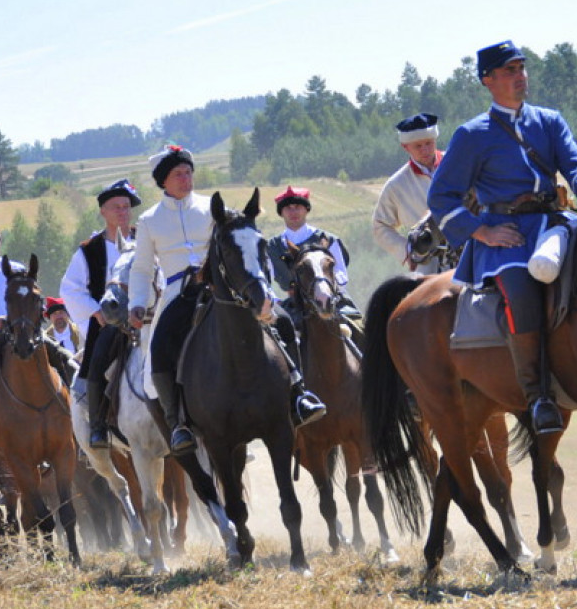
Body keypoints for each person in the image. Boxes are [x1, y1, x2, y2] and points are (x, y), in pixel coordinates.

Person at [427, 40, 577, 435]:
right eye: (509, 71)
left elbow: (574, 162)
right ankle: (538, 395)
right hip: (506, 237)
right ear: (487, 81)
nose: (520, 77)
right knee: (522, 292)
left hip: (555, 222)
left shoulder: (549, 121)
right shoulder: (472, 134)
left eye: (522, 68)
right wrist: (480, 231)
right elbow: (441, 196)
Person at [129, 149, 325, 456]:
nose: (186, 179)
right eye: (178, 174)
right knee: (159, 348)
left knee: (284, 321)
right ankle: (178, 422)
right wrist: (137, 304)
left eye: (188, 172)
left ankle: (299, 394)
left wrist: (265, 288)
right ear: (163, 180)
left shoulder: (213, 207)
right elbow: (141, 268)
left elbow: (250, 243)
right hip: (177, 295)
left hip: (222, 289)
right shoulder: (149, 220)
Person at [0, 220, 76, 447]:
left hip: (26, 331)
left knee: (63, 356)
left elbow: (35, 297)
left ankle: (80, 408)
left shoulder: (19, 269)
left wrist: (35, 315)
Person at [59, 178, 142, 449]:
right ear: (103, 211)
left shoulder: (146, 238)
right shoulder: (89, 250)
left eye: (126, 206)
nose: (122, 212)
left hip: (148, 317)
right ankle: (98, 426)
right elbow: (70, 289)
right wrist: (96, 312)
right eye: (116, 207)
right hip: (111, 324)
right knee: (96, 366)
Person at [266, 185, 359, 319]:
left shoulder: (329, 239)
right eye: (288, 208)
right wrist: (275, 302)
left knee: (359, 329)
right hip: (293, 306)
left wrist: (324, 291)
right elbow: (266, 281)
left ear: (306, 209)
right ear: (281, 213)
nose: (293, 212)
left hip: (331, 299)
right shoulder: (272, 246)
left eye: (297, 207)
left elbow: (341, 274)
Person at [372, 113, 445, 273]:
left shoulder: (458, 164)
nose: (425, 150)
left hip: (471, 251)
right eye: (418, 146)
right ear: (405, 147)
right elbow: (380, 226)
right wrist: (408, 251)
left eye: (429, 143)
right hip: (429, 264)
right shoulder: (396, 184)